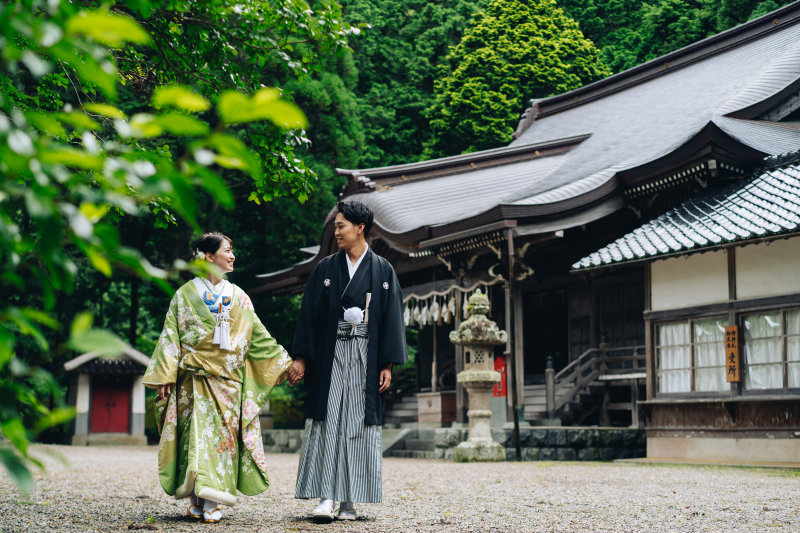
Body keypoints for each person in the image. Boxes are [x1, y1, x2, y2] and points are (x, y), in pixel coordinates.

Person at [143, 232, 292, 524]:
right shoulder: (184, 294)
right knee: (195, 439)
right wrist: (164, 375)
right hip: (193, 382)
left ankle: (213, 498)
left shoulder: (239, 296)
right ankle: (199, 498)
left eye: (233, 250)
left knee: (220, 441)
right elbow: (170, 337)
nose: (233, 255)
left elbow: (258, 336)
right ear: (209, 257)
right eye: (227, 250)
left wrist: (285, 364)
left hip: (227, 383)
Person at [288, 200, 407, 523]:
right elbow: (309, 316)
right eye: (336, 226)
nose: (336, 232)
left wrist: (388, 363)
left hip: (366, 357)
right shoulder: (326, 268)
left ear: (360, 228)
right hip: (330, 355)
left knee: (356, 424)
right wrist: (301, 358)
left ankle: (351, 501)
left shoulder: (383, 269)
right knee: (328, 423)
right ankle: (326, 496)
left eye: (341, 226)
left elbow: (392, 317)